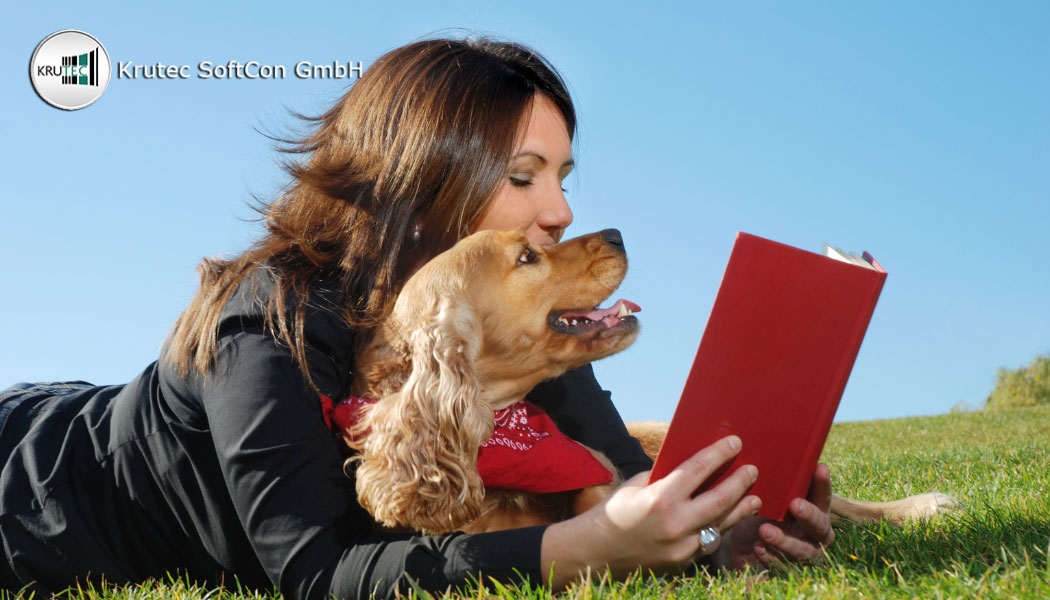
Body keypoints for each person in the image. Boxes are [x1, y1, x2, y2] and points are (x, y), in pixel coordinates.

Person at [0, 37, 834, 599]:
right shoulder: (268, 322)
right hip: (35, 483)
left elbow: (618, 490)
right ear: (420, 183)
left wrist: (713, 539)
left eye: (563, 174)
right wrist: (582, 551)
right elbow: (318, 571)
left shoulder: (509, 319)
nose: (560, 209)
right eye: (523, 175)